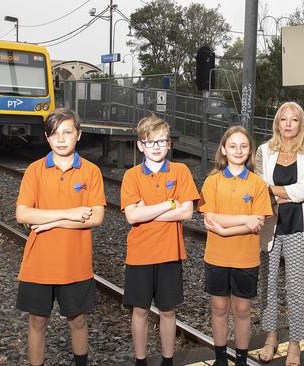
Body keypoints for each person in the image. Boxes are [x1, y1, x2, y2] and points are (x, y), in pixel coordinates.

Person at [14, 108, 106, 366]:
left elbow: (96, 218)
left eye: (67, 132)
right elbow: (22, 214)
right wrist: (72, 213)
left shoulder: (90, 172)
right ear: (47, 138)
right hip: (38, 265)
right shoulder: (35, 170)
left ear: (79, 134)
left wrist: (49, 221)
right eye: (55, 134)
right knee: (37, 321)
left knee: (78, 320)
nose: (61, 139)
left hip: (75, 264)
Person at [121, 115, 200, 366]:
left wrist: (149, 210)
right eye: (149, 141)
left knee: (168, 310)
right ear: (140, 145)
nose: (155, 147)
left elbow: (187, 212)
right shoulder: (132, 176)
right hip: (140, 254)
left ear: (169, 144)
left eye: (161, 141)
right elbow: (132, 215)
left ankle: (168, 360)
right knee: (140, 310)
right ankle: (140, 361)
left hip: (169, 253)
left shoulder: (180, 171)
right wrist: (169, 203)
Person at [198, 126, 274, 366]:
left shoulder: (257, 184)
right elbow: (210, 218)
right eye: (232, 146)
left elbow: (258, 223)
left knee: (242, 310)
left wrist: (223, 228)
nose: (238, 150)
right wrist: (244, 219)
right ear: (223, 149)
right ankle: (221, 358)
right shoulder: (212, 182)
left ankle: (241, 359)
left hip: (246, 259)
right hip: (217, 258)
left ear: (249, 150)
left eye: (243, 146)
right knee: (219, 308)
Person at [255, 102, 304, 366]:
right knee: (268, 285)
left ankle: (294, 342)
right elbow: (260, 188)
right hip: (271, 225)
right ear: (277, 123)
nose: (289, 124)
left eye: (294, 119)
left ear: (301, 124)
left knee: (295, 287)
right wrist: (287, 193)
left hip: (297, 226)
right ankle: (270, 337)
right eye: (284, 119)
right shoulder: (264, 150)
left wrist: (275, 192)